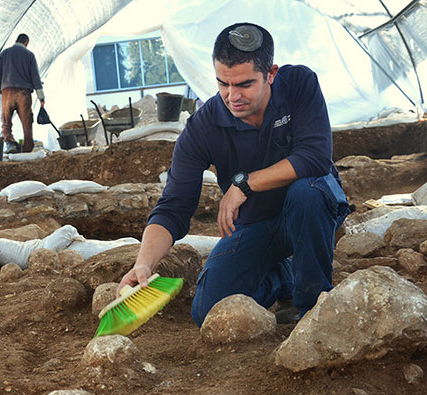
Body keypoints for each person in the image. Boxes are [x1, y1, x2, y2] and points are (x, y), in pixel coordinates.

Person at [118, 22, 350, 327]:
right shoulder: (203, 127)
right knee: (208, 310)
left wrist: (245, 184)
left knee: (306, 194)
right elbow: (174, 206)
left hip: (312, 210)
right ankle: (284, 277)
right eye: (222, 84)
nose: (232, 96)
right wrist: (144, 263)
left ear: (270, 74)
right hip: (258, 224)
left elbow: (315, 158)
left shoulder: (298, 83)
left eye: (244, 84)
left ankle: (312, 305)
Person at [0, 33, 45, 153]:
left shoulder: (5, 53)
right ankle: (26, 151)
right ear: (26, 43)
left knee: (6, 121)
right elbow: (35, 77)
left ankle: (10, 144)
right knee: (27, 123)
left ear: (16, 41)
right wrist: (41, 97)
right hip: (23, 94)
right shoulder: (29, 55)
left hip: (7, 93)